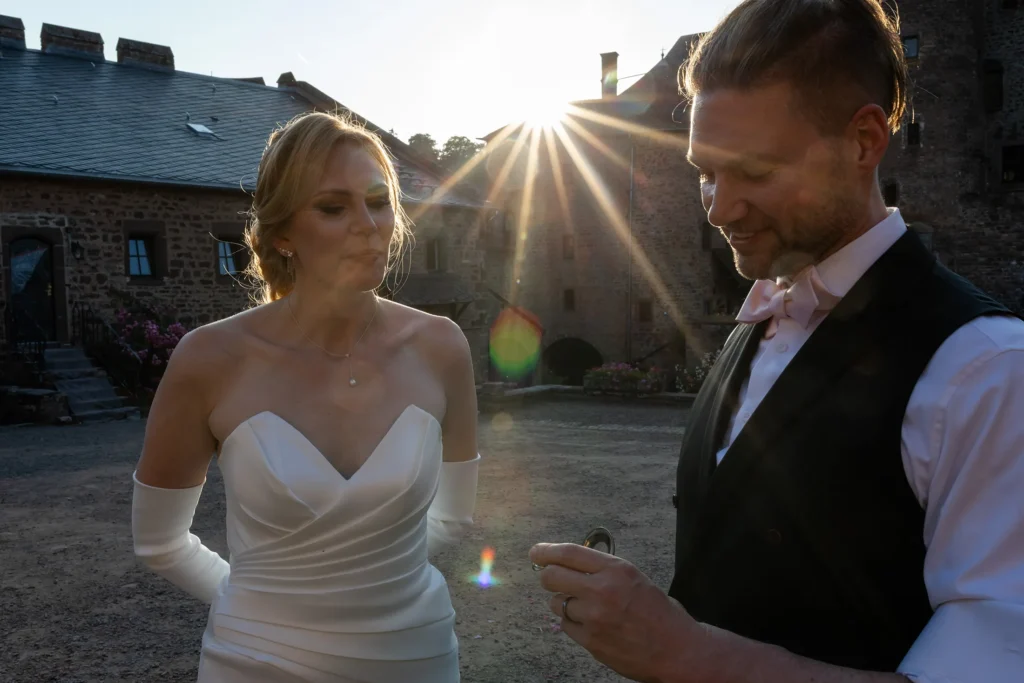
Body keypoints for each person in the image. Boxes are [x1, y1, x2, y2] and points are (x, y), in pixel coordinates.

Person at [530, 1, 1024, 681]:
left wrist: (680, 651)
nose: (719, 208)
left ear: (864, 141)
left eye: (755, 172)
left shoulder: (987, 370)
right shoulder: (762, 314)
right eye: (705, 171)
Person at [130, 111, 481, 683]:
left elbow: (455, 515)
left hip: (415, 655)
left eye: (379, 202)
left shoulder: (442, 346)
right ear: (283, 234)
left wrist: (377, 584)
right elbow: (159, 542)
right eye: (333, 208)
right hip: (255, 662)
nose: (368, 225)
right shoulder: (210, 358)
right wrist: (263, 607)